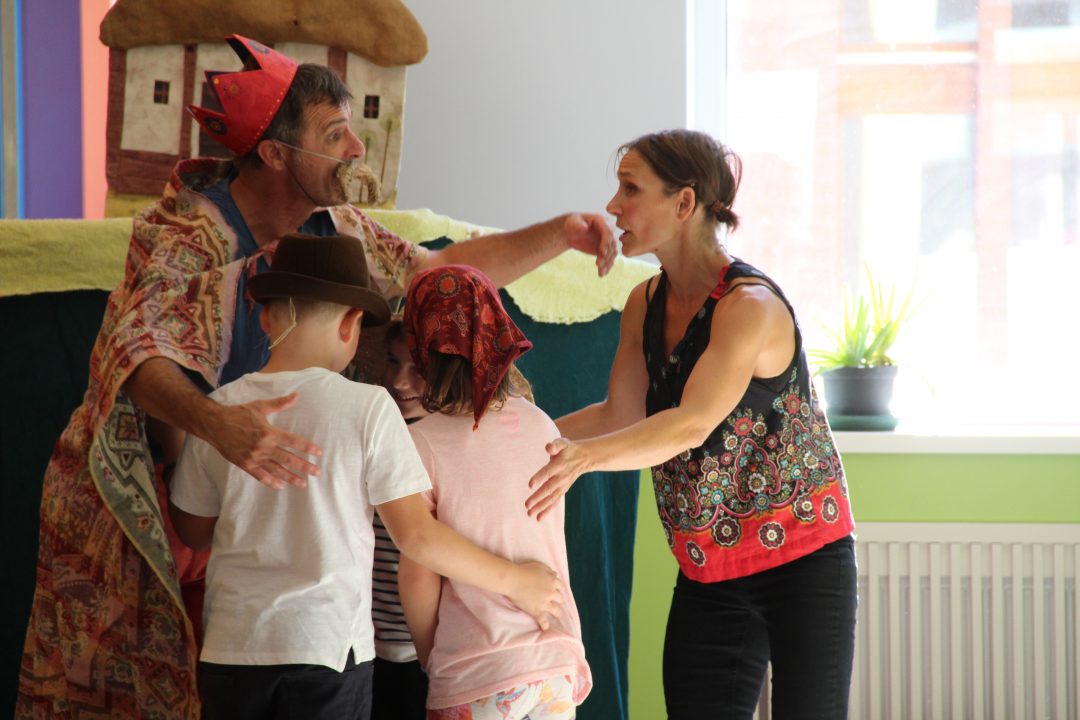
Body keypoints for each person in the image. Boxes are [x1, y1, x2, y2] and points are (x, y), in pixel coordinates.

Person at [17, 35, 614, 719]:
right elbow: (136, 354)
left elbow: (431, 275)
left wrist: (562, 233)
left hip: (287, 569)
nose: (355, 150)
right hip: (176, 502)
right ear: (276, 153)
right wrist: (219, 426)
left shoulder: (335, 229)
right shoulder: (185, 234)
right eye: (334, 135)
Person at [525, 130, 857, 719]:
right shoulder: (643, 303)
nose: (613, 206)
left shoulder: (750, 307)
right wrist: (519, 440)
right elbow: (620, 415)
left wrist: (583, 459)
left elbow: (691, 424)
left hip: (804, 562)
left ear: (684, 203)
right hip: (711, 567)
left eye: (630, 189)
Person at [167, 235, 562, 720]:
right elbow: (416, 536)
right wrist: (516, 581)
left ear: (265, 317)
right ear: (351, 324)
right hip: (330, 650)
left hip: (232, 651)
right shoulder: (368, 408)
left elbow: (191, 530)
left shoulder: (220, 411)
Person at [397, 265, 592, 719]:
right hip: (556, 664)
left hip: (476, 671)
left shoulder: (420, 443)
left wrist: (432, 657)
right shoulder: (542, 425)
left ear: (422, 345)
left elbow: (418, 573)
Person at [370, 319, 430, 720]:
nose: (400, 381)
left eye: (418, 369)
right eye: (393, 361)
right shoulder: (372, 430)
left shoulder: (451, 445)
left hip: (424, 650)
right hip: (362, 645)